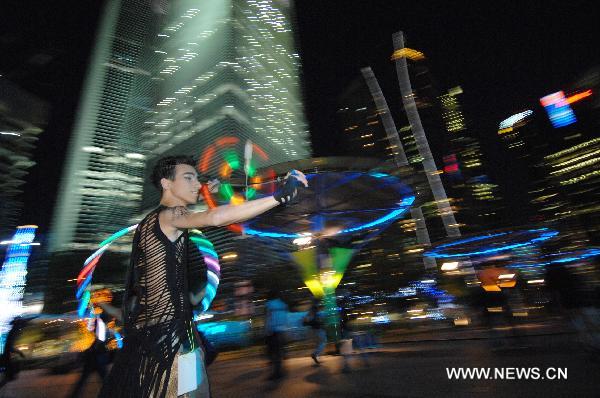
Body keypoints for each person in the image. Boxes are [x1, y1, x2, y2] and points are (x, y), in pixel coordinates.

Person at [99, 155, 307, 397]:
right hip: (174, 337)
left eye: (197, 179)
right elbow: (216, 217)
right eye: (189, 178)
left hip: (149, 337)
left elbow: (207, 212)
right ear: (166, 183)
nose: (197, 184)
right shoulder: (171, 214)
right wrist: (279, 195)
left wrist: (209, 191)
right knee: (191, 392)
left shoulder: (153, 220)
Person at [264, 289, 289, 380]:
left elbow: (268, 318)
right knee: (280, 351)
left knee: (274, 352)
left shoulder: (269, 304)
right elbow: (286, 317)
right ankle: (280, 370)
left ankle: (276, 373)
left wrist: (266, 331)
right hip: (283, 330)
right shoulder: (283, 304)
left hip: (273, 331)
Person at [304, 298, 326, 365]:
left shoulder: (311, 310)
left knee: (318, 343)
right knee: (323, 341)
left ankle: (317, 358)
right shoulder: (316, 309)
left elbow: (307, 319)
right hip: (318, 328)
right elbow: (319, 318)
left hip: (313, 329)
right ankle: (315, 354)